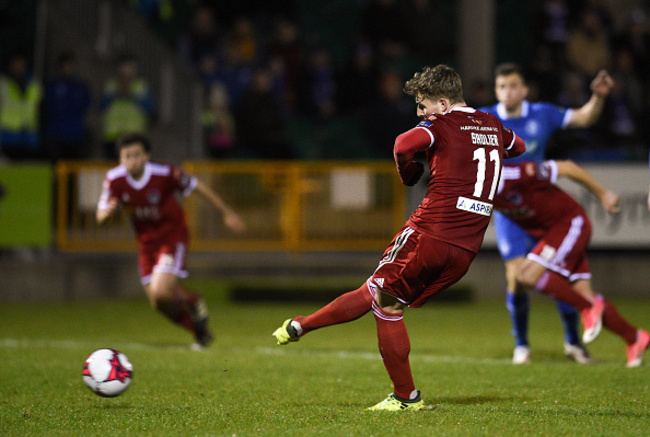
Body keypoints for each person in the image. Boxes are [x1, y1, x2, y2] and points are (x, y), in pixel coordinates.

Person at [272, 64, 526, 411]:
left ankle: (406, 397)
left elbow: (403, 143)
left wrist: (409, 172)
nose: (420, 114)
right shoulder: (492, 124)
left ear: (443, 101)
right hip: (466, 249)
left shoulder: (442, 123)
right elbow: (519, 146)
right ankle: (300, 325)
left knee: (387, 306)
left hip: (430, 234)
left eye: (423, 106)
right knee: (378, 292)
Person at [479, 62, 615, 364]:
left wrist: (598, 98)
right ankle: (523, 345)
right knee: (516, 277)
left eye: (513, 85)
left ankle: (573, 342)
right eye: (501, 86)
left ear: (524, 89)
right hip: (510, 214)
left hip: (542, 209)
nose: (507, 92)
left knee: (556, 274)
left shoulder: (542, 113)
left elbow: (584, 117)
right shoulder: (485, 119)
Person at [96, 132, 246, 349]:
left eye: (137, 154)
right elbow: (100, 214)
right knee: (159, 303)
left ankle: (192, 300)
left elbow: (197, 186)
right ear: (120, 159)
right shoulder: (114, 179)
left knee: (160, 290)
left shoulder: (164, 173)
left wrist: (227, 212)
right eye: (127, 156)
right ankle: (200, 332)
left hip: (172, 236)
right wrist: (107, 214)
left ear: (147, 156)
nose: (132, 160)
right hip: (146, 244)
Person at [494, 159, 649, 367]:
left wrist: (603, 194)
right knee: (583, 293)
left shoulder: (516, 174)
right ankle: (634, 338)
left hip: (569, 223)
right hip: (552, 232)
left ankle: (587, 309)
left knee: (526, 275)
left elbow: (567, 167)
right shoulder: (475, 188)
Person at [100, 54, 155, 159]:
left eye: (129, 67)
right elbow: (101, 105)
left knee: (134, 172)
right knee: (114, 172)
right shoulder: (111, 85)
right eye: (123, 67)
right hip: (112, 137)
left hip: (135, 138)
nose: (126, 71)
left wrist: (132, 95)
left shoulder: (141, 86)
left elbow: (150, 107)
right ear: (118, 68)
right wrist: (116, 94)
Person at [43, 52, 91, 161]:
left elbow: (85, 105)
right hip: (57, 135)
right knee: (57, 169)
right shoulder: (52, 86)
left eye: (70, 66)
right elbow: (49, 106)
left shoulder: (80, 86)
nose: (67, 69)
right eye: (64, 66)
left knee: (74, 169)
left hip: (76, 135)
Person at [0, 53, 43, 161]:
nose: (18, 67)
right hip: (8, 134)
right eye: (16, 64)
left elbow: (39, 107)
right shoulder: (3, 83)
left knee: (26, 171)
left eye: (21, 64)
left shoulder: (33, 84)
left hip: (29, 134)